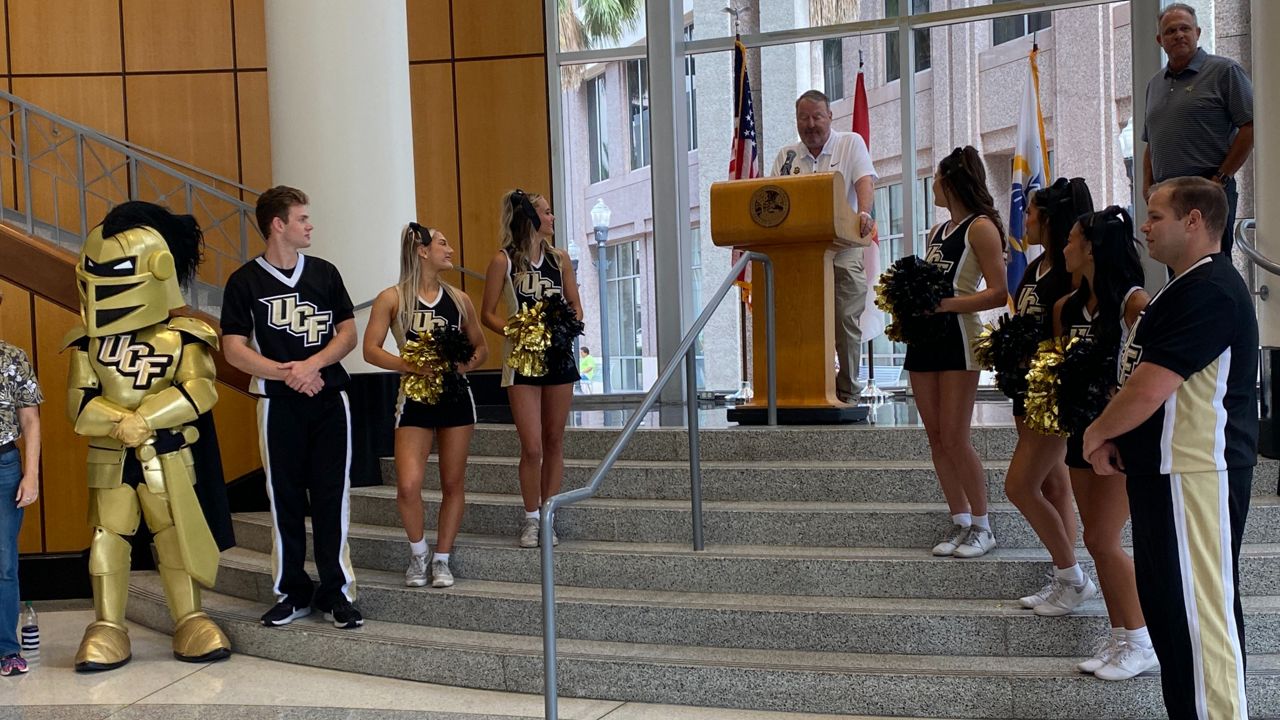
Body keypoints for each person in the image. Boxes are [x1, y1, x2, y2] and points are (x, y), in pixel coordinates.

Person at [1085, 177, 1254, 718]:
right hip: (1166, 473)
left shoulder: (1210, 288)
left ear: (1194, 221)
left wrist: (1099, 432)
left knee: (1202, 623)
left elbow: (1152, 385)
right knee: (1174, 622)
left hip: (1196, 473)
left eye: (1156, 215)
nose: (1145, 227)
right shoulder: (1181, 288)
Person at [65, 202, 232, 671]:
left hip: (168, 455)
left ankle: (191, 618)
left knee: (176, 537)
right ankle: (107, 626)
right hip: (112, 455)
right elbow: (78, 407)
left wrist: (148, 417)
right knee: (107, 539)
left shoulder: (184, 336)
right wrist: (123, 421)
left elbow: (200, 390)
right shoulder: (86, 342)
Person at [221, 186, 363, 629]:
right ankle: (292, 592)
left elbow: (347, 333)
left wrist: (312, 365)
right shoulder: (245, 281)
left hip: (330, 400)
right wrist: (288, 374)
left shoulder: (324, 273)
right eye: (302, 218)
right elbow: (232, 349)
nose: (310, 225)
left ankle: (337, 593)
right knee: (282, 500)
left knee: (331, 498)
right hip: (277, 405)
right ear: (277, 224)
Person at [1053, 206, 1154, 681]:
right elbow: (1059, 368)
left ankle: (1141, 640)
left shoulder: (1134, 303)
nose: (1065, 247)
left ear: (1091, 246)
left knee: (1102, 538)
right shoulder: (1067, 307)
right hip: (1079, 431)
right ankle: (1119, 638)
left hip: (1117, 436)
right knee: (1095, 541)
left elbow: (1150, 366)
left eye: (1072, 240)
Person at [363, 222, 487, 589]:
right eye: (443, 244)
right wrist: (410, 364)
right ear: (422, 250)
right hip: (413, 397)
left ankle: (442, 559)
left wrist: (459, 366)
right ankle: (418, 554)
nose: (450, 250)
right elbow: (370, 349)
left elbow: (481, 348)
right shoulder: (392, 298)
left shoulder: (460, 299)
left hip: (455, 397)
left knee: (452, 482)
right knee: (408, 485)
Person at [905, 146, 1007, 559]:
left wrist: (948, 305)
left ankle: (984, 525)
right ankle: (960, 520)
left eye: (937, 177)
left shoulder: (981, 228)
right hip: (925, 337)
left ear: (953, 181)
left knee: (955, 435)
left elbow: (1000, 292)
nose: (933, 184)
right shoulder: (937, 232)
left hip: (959, 336)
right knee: (935, 436)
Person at [1005, 178, 1097, 615]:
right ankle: (1064, 571)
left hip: (1049, 389)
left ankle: (1072, 577)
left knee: (1019, 485)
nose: (1024, 218)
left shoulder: (1067, 271)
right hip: (1024, 386)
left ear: (1048, 218)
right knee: (1052, 481)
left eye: (1030, 213)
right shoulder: (1036, 264)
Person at [481, 189, 583, 549]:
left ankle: (549, 514)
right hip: (522, 360)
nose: (552, 218)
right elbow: (488, 313)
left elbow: (576, 308)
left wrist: (559, 330)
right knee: (532, 446)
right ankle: (530, 518)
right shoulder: (504, 261)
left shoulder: (560, 259)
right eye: (547, 212)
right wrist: (520, 331)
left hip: (558, 357)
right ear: (530, 217)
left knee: (555, 439)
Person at [771, 90, 876, 403]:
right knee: (801, 320)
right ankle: (810, 388)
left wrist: (865, 212)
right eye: (804, 118)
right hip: (801, 256)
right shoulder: (787, 157)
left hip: (843, 246)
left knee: (845, 318)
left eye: (817, 116)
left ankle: (848, 391)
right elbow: (773, 196)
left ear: (830, 116)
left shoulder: (850, 143)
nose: (811, 124)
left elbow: (864, 182)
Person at [1142, 2, 1253, 255]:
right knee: (1175, 264)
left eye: (1185, 28)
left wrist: (1220, 179)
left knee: (1210, 266)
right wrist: (1147, 186)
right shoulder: (1154, 85)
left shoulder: (1225, 71)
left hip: (1208, 188)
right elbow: (1151, 141)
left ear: (1198, 32)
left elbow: (1250, 127)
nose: (1179, 34)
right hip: (1166, 193)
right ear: (1160, 39)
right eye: (1171, 31)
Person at [0, 287, 40, 677]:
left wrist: (31, 474)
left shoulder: (13, 358)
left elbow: (30, 420)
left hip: (4, 467)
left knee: (4, 563)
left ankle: (7, 649)